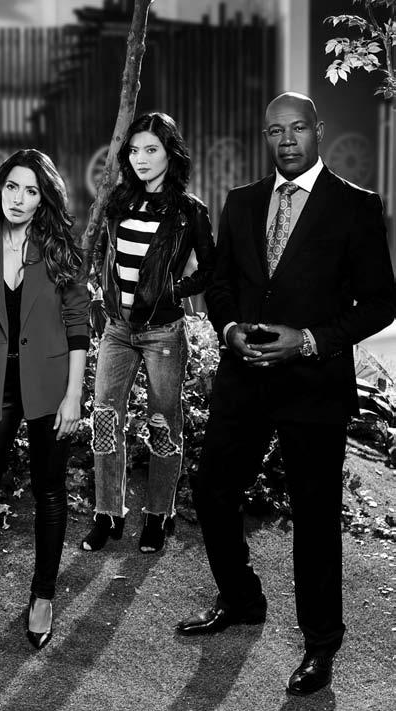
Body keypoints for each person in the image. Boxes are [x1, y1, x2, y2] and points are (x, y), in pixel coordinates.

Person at [175, 92, 396, 696]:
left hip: (313, 385)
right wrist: (228, 327)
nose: (288, 140)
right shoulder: (242, 202)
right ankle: (241, 598)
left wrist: (311, 340)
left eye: (298, 128)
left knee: (316, 519)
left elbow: (381, 301)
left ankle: (320, 645)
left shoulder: (355, 206)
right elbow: (222, 283)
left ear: (318, 131)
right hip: (244, 377)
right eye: (276, 131)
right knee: (213, 489)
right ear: (266, 137)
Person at [0, 149, 89, 652]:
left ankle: (43, 597)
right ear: (0, 190)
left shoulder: (61, 249)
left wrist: (73, 395)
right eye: (13, 186)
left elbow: (78, 327)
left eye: (32, 191)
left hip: (49, 385)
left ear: (43, 199)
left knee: (49, 494)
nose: (19, 198)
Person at [80, 112, 215, 554]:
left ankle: (159, 514)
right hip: (117, 331)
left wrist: (173, 289)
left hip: (162, 333)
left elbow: (210, 270)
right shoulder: (118, 201)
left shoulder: (189, 211)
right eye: (135, 150)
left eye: (151, 150)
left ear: (170, 154)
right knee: (104, 417)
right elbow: (104, 251)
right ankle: (107, 513)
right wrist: (103, 285)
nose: (140, 158)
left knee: (162, 423)